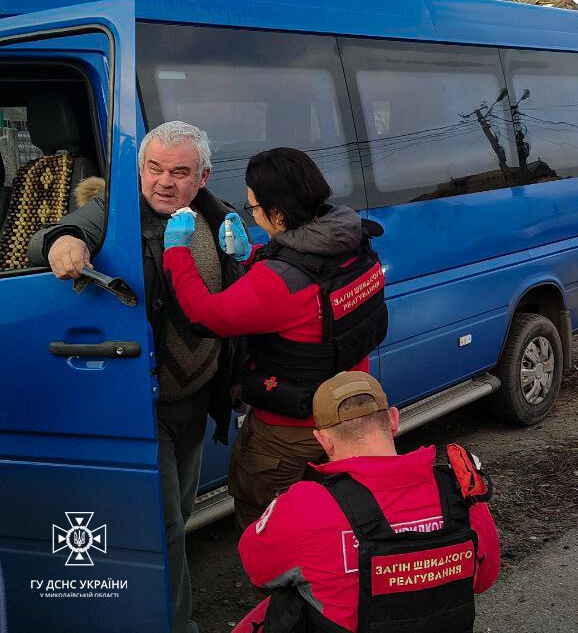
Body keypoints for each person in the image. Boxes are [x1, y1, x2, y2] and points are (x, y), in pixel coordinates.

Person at [28, 120, 243, 633]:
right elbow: (59, 234)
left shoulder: (220, 216)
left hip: (196, 396)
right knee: (162, 524)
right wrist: (61, 242)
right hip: (143, 400)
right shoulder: (118, 212)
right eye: (154, 168)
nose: (164, 181)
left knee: (180, 513)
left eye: (180, 171)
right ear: (140, 168)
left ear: (203, 177)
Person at [162, 147, 388, 531]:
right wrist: (253, 255)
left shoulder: (277, 284)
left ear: (278, 213)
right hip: (353, 416)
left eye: (253, 208)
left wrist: (177, 251)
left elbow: (204, 316)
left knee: (270, 530)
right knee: (340, 526)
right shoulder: (353, 242)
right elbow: (302, 288)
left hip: (290, 435)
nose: (253, 214)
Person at [232, 371, 501, 633]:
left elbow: (258, 569)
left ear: (323, 440)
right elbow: (485, 579)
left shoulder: (304, 506)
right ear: (394, 420)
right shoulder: (460, 489)